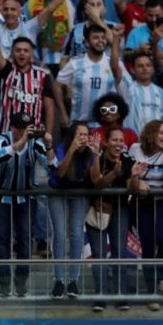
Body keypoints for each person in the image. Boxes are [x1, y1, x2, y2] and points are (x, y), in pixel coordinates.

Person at [0, 112, 56, 297]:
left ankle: (21, 281)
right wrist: (20, 143)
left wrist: (49, 145)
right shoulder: (1, 139)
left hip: (26, 197)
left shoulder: (36, 142)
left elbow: (51, 166)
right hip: (2, 196)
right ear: (12, 127)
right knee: (1, 240)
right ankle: (4, 282)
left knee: (25, 240)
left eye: (26, 129)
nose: (22, 132)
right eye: (19, 128)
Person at [88, 127, 141, 312]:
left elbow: (132, 189)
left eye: (121, 141)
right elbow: (97, 183)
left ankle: (121, 295)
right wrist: (114, 173)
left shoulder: (127, 161)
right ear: (106, 142)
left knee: (119, 251)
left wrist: (134, 176)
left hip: (120, 210)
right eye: (115, 140)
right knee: (99, 253)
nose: (119, 144)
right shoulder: (96, 156)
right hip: (98, 209)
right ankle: (100, 296)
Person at [128, 119, 163, 311]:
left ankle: (161, 278)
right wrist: (136, 180)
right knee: (148, 247)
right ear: (150, 133)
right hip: (142, 204)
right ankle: (152, 292)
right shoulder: (135, 149)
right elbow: (128, 178)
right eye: (161, 132)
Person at [48, 122, 93, 299]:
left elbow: (93, 177)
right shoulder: (62, 147)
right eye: (79, 135)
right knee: (59, 234)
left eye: (86, 135)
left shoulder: (90, 151)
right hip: (57, 191)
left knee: (76, 234)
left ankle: (73, 280)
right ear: (73, 136)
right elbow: (60, 173)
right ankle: (58, 280)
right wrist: (71, 150)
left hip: (79, 193)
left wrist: (95, 155)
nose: (83, 138)